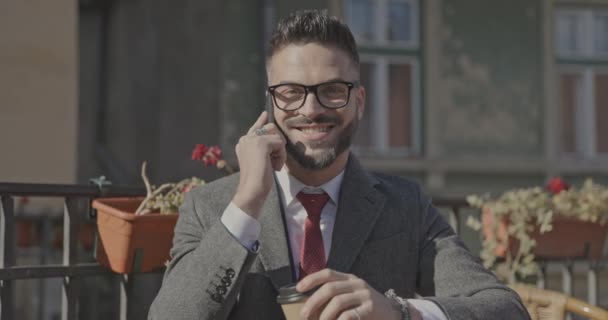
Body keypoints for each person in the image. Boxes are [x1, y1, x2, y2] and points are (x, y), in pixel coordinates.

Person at [148, 9, 530, 320]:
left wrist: (399, 312)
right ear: (271, 103)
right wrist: (247, 200)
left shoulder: (406, 206)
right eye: (291, 93)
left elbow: (505, 309)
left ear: (359, 101)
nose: (311, 110)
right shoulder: (211, 207)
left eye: (332, 90)